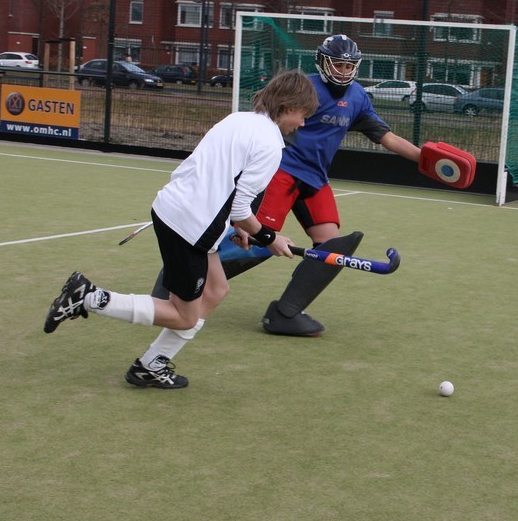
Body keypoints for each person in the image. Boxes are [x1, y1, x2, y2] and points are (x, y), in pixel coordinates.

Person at [43, 69, 320, 389]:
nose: (302, 123)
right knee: (184, 316)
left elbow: (222, 185)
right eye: (302, 115)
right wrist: (269, 238)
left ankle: (151, 365)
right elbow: (240, 207)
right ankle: (89, 297)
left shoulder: (238, 119)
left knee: (215, 291)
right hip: (192, 226)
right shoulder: (271, 144)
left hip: (174, 208)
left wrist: (239, 227)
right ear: (287, 107)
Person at [150, 34, 424, 338]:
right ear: (323, 62)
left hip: (316, 179)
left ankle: (285, 313)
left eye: (349, 66)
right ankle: (177, 282)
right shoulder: (304, 90)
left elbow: (386, 137)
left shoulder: (358, 97)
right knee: (257, 241)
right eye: (338, 64)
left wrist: (424, 159)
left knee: (332, 244)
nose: (344, 71)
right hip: (283, 171)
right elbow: (270, 114)